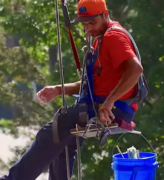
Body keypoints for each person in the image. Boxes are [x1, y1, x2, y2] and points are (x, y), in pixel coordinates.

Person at [0, 0, 144, 179]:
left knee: (52, 131)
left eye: (93, 22)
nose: (89, 28)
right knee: (62, 142)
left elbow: (135, 69)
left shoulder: (113, 37)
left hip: (112, 109)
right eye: (85, 24)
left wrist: (109, 102)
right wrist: (58, 90)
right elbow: (90, 87)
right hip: (103, 106)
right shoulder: (100, 40)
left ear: (105, 15)